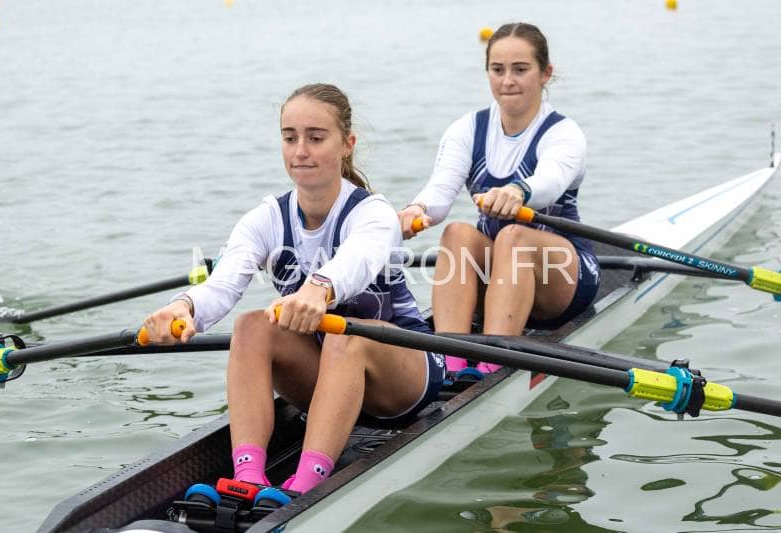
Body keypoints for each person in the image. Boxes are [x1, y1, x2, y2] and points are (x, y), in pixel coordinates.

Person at [142, 83, 445, 495]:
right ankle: (248, 477)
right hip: (325, 375)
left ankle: (304, 488)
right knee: (252, 326)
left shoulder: (373, 213)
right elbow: (223, 284)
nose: (300, 151)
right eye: (290, 138)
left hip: (404, 377)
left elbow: (356, 262)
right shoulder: (265, 219)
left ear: (347, 145)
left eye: (315, 138)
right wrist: (184, 307)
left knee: (345, 336)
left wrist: (319, 289)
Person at [398, 22, 600, 374]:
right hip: (500, 274)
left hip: (563, 279)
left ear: (545, 73)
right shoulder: (467, 129)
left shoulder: (563, 133)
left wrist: (518, 191)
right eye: (498, 70)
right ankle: (450, 364)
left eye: (520, 70)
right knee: (457, 233)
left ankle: (492, 366)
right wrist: (417, 209)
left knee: (514, 236)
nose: (508, 81)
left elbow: (551, 182)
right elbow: (440, 190)